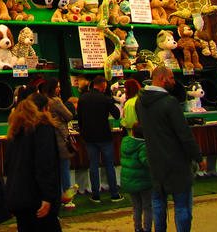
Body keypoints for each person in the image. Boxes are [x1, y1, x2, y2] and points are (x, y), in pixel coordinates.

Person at [136, 66, 206, 232]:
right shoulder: (170, 102)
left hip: (155, 161)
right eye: (172, 78)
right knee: (182, 206)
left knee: (158, 203)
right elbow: (185, 134)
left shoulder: (140, 102)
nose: (174, 82)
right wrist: (199, 158)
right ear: (162, 79)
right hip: (177, 163)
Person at [5, 93, 62, 232]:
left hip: (18, 195)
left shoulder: (15, 128)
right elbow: (44, 163)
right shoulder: (42, 126)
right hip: (35, 197)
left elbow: (7, 165)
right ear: (45, 109)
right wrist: (47, 196)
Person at [76, 75, 123, 203]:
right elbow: (117, 115)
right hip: (104, 136)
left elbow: (80, 119)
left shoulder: (83, 98)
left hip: (89, 137)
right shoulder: (105, 99)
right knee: (109, 165)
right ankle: (114, 194)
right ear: (103, 85)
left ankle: (95, 195)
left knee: (94, 165)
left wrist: (83, 134)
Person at [41, 77, 78, 210]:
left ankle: (56, 198)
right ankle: (68, 199)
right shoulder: (56, 101)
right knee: (64, 170)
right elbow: (69, 116)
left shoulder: (43, 100)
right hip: (61, 139)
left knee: (54, 171)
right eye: (57, 86)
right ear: (52, 87)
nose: (59, 89)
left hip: (48, 140)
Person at [121, 122, 153, 232]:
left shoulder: (125, 143)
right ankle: (147, 228)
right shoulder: (144, 146)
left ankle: (137, 228)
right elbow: (146, 162)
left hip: (130, 181)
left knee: (136, 207)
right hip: (144, 182)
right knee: (148, 207)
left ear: (133, 132)